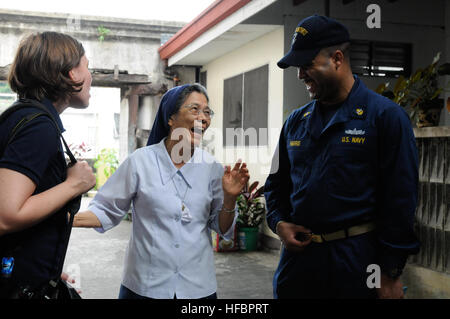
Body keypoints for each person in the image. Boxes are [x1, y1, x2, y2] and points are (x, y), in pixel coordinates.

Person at [264, 15, 420, 299]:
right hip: (299, 262)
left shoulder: (385, 117)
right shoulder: (295, 122)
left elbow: (401, 198)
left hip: (357, 260)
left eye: (307, 65)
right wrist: (278, 222)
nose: (300, 75)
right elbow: (276, 183)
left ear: (336, 59)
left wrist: (391, 272)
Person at [73, 83, 250, 299]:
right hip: (144, 286)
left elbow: (221, 228)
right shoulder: (140, 162)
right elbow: (105, 209)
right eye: (194, 109)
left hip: (197, 288)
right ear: (171, 118)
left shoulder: (212, 168)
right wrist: (61, 217)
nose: (203, 118)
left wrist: (230, 198)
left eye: (207, 112)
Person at [0, 32, 96, 298]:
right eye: (87, 67)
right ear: (70, 74)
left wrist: (44, 270)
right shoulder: (38, 126)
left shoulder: (27, 117)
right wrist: (74, 184)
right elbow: (6, 216)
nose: (91, 76)